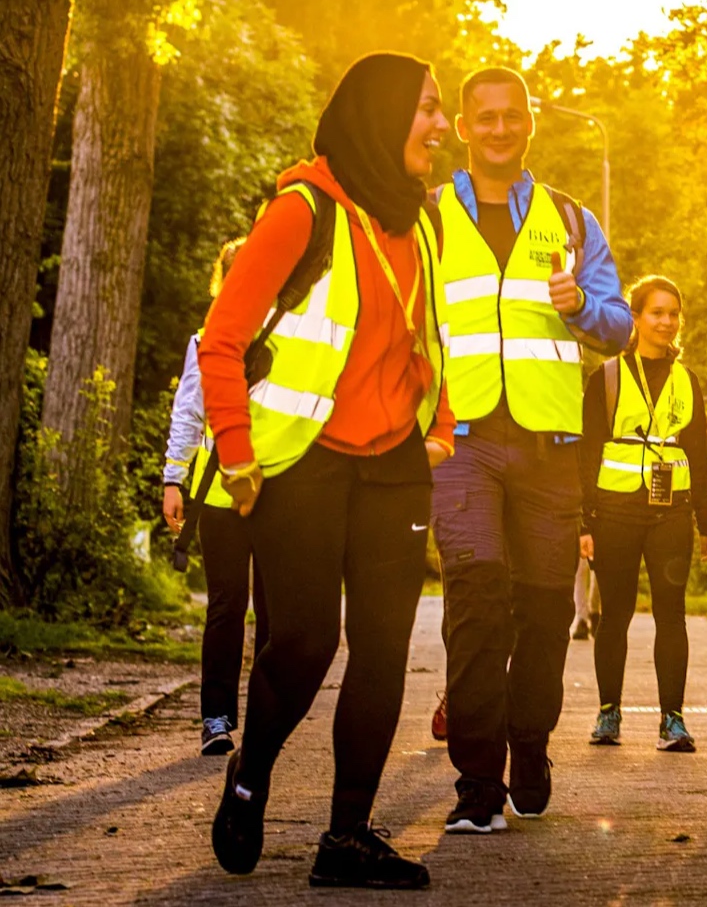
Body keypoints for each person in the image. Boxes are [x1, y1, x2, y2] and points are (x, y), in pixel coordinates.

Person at [202, 51, 453, 889]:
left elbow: (429, 339)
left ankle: (346, 838)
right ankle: (249, 777)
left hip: (394, 470)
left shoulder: (418, 220)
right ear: (381, 115)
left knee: (383, 652)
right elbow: (222, 339)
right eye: (426, 108)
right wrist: (235, 453)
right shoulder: (302, 211)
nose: (441, 126)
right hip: (304, 465)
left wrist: (442, 424)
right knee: (305, 643)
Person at [431, 67, 630, 835]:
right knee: (476, 601)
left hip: (549, 448)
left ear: (530, 125)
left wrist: (582, 306)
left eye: (512, 117)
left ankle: (530, 743)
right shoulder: (427, 218)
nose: (500, 129)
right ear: (462, 124)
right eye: (485, 118)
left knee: (546, 612)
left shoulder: (571, 221)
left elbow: (617, 324)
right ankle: (477, 782)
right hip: (464, 445)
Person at [579, 276, 707, 751]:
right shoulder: (608, 376)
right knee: (613, 615)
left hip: (671, 515)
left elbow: (699, 456)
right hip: (615, 512)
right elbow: (587, 451)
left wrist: (706, 521)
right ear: (635, 318)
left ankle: (672, 720)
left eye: (673, 313)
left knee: (671, 616)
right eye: (656, 312)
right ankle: (608, 713)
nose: (666, 322)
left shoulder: (687, 381)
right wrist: (584, 522)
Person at [162, 240, 268, 757]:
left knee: (278, 614)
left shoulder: (294, 340)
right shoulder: (205, 341)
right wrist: (172, 481)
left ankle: (270, 717)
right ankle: (217, 719)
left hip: (281, 495)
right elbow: (187, 414)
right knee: (227, 606)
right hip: (220, 496)